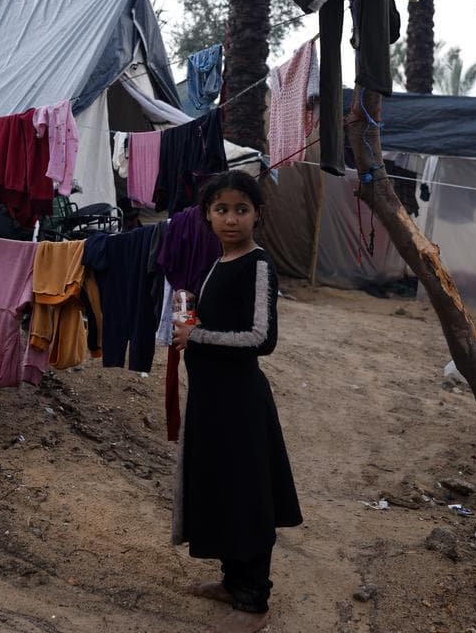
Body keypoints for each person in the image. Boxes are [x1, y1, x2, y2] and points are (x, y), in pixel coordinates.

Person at [172, 170, 303, 633]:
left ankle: (254, 601)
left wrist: (198, 336)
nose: (231, 219)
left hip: (240, 403)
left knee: (247, 496)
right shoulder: (219, 260)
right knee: (221, 489)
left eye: (241, 210)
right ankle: (231, 581)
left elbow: (262, 338)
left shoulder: (258, 263)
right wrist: (193, 324)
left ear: (257, 215)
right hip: (211, 400)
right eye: (221, 209)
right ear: (207, 215)